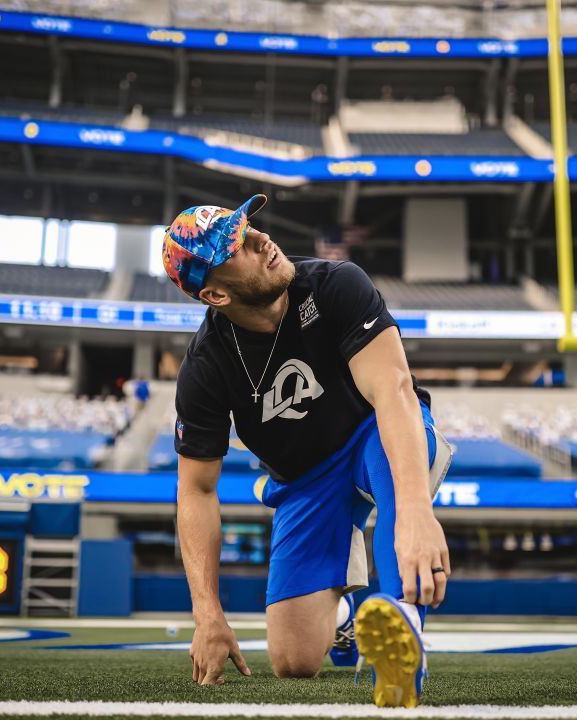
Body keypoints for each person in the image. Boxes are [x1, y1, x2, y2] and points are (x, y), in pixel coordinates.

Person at [163, 195, 453, 707]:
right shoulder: (206, 367)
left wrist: (414, 511)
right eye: (236, 245)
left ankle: (403, 622)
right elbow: (197, 490)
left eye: (248, 227)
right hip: (304, 479)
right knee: (293, 662)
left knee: (395, 485)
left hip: (376, 435)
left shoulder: (337, 283)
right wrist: (207, 613)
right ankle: (344, 621)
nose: (260, 239)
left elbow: (394, 392)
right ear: (214, 294)